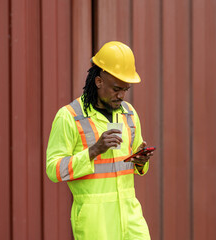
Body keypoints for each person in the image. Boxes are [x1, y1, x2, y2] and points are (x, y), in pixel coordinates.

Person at [46, 41, 152, 239]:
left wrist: (141, 163)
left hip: (131, 220)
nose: (121, 95)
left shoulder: (129, 114)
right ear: (98, 81)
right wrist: (94, 151)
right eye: (116, 89)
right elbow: (54, 169)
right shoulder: (69, 116)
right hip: (96, 224)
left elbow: (130, 165)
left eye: (125, 90)